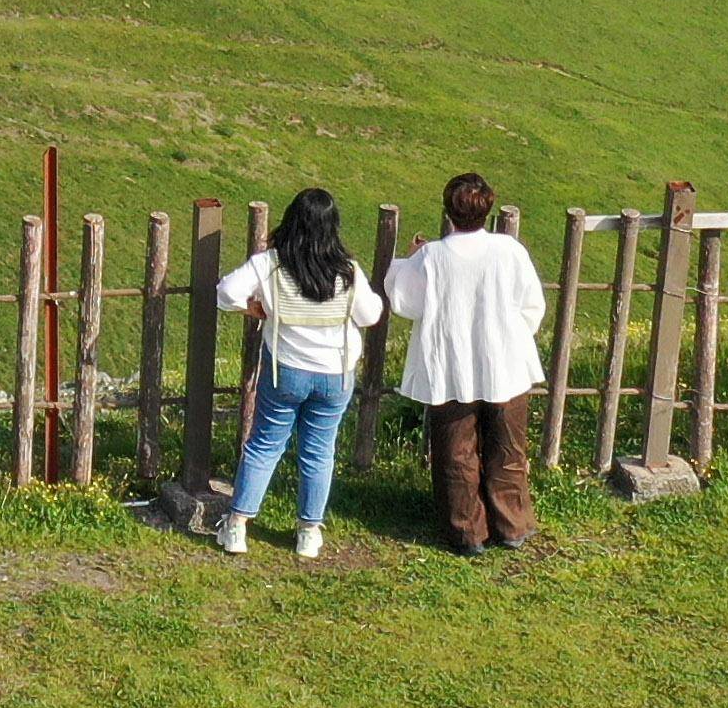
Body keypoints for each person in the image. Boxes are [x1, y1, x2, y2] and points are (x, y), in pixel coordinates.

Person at [215, 187, 386, 560]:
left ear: (292, 220)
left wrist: (255, 309)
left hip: (286, 370)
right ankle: (309, 531)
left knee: (264, 445)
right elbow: (371, 315)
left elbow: (226, 293)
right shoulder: (346, 270)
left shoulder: (272, 264)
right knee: (319, 451)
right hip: (335, 374)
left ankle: (237, 526)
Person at [386, 172, 549, 555]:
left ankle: (466, 531)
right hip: (505, 362)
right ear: (488, 209)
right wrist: (509, 337)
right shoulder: (509, 251)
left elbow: (405, 302)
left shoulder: (432, 257)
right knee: (508, 447)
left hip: (452, 364)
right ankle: (512, 525)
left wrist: (407, 260)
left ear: (448, 211)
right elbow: (532, 305)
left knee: (455, 451)